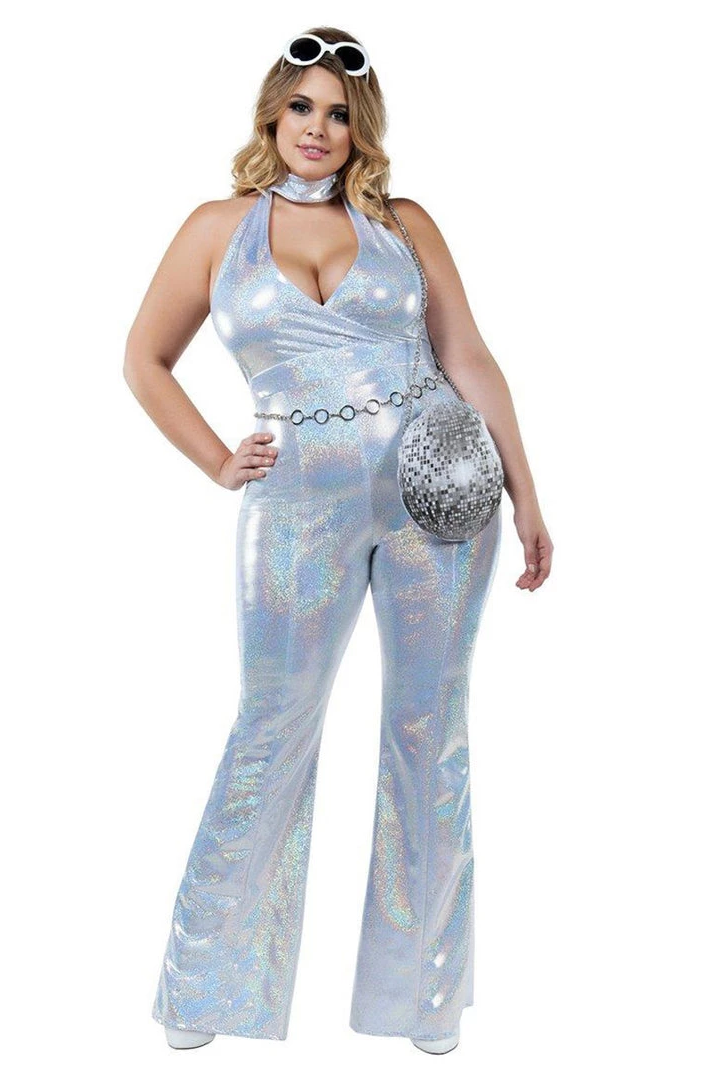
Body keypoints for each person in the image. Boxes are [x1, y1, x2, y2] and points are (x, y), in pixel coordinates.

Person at [124, 26, 553, 1057]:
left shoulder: (402, 222)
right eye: (302, 107)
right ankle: (206, 983)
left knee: (427, 729)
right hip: (296, 503)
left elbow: (467, 355)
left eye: (339, 114)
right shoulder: (216, 228)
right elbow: (144, 359)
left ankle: (424, 997)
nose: (318, 128)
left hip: (438, 490)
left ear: (362, 129)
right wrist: (216, 459)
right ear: (273, 112)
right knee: (270, 726)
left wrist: (527, 494)